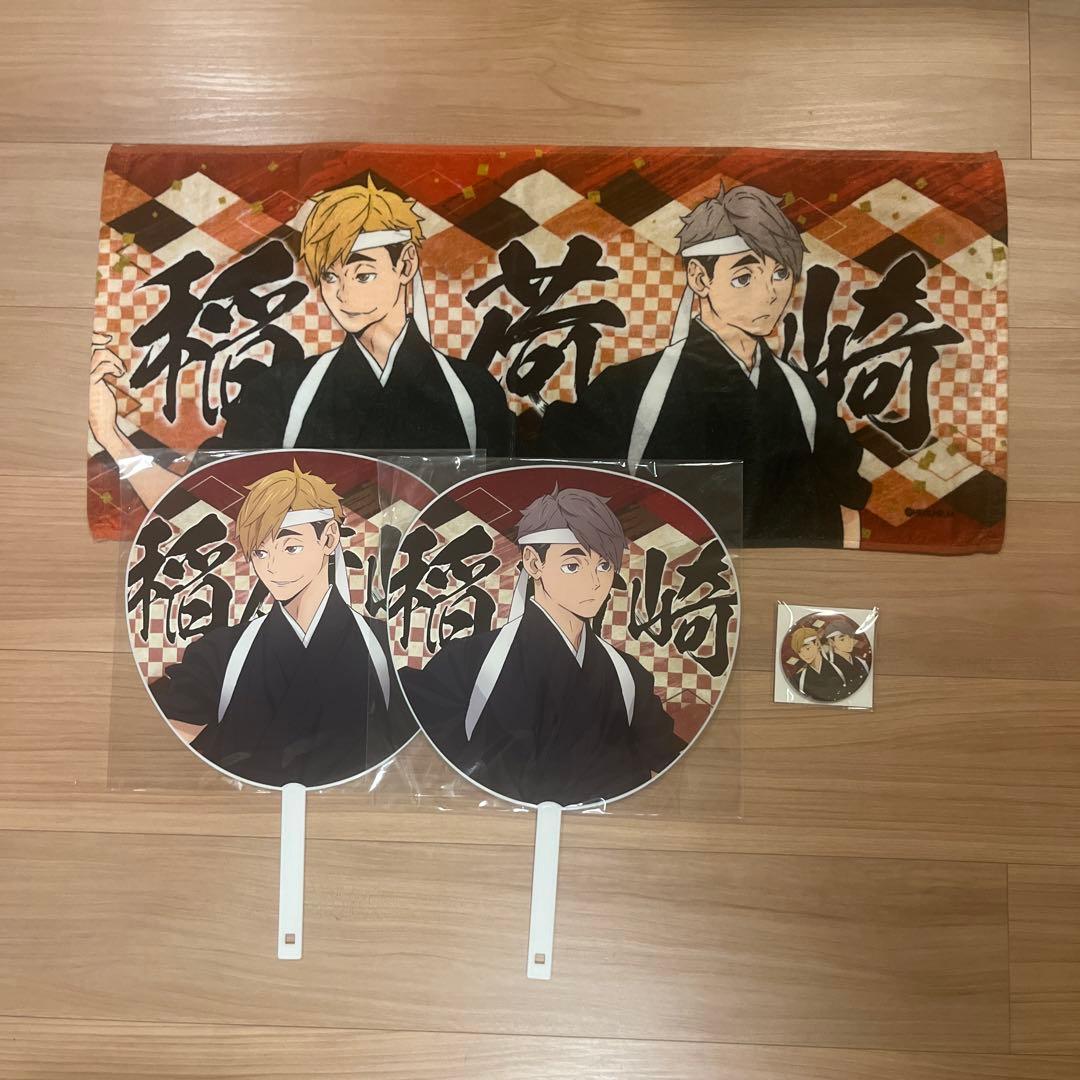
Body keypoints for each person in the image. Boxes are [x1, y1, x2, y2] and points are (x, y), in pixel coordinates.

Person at [89, 177, 515, 511]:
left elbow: (506, 519)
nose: (343, 294)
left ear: (405, 265)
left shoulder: (473, 394)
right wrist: (112, 436)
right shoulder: (282, 392)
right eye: (330, 277)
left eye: (363, 273)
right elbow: (207, 511)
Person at [539, 183, 871, 547]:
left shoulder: (805, 395)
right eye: (744, 277)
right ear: (699, 278)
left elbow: (847, 502)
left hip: (786, 577)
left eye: (780, 274)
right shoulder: (630, 389)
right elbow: (565, 492)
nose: (770, 293)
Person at [398, 486, 686, 806]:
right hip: (488, 823)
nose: (594, 582)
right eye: (573, 565)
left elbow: (671, 761)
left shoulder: (627, 676)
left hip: (603, 830)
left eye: (604, 566)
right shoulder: (468, 662)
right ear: (534, 563)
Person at [149, 462, 416, 787]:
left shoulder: (386, 648)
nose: (273, 567)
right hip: (242, 808)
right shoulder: (222, 652)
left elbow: (411, 754)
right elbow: (173, 730)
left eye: (291, 547)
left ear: (329, 538)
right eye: (261, 553)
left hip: (355, 808)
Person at [789, 626, 846, 703]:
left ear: (817, 644)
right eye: (799, 652)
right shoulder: (799, 679)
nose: (804, 655)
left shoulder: (839, 664)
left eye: (807, 648)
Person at [821, 620, 870, 695]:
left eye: (850, 638)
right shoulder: (829, 666)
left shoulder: (861, 662)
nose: (849, 642)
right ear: (831, 642)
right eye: (842, 639)